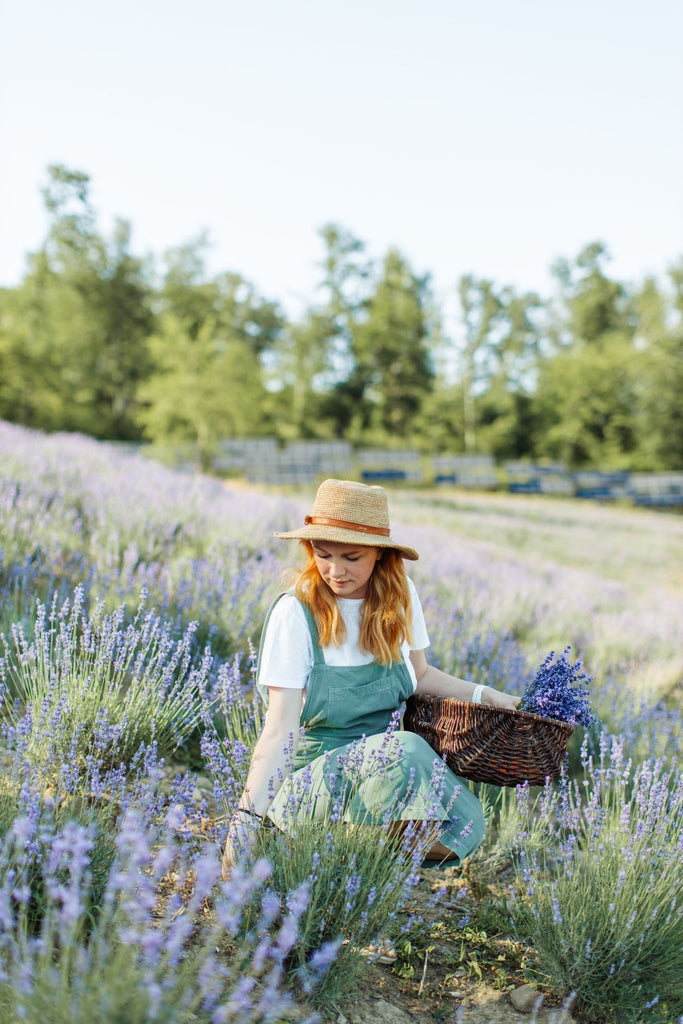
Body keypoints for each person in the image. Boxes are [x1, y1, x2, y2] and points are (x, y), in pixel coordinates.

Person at [222, 478, 519, 874]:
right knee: (406, 749)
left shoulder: (400, 596)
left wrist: (487, 695)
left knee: (466, 824)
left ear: (379, 554)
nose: (334, 570)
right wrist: (245, 822)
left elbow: (420, 675)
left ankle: (353, 857)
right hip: (308, 784)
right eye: (323, 554)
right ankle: (302, 843)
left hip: (381, 774)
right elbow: (279, 733)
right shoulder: (296, 614)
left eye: (351, 557)